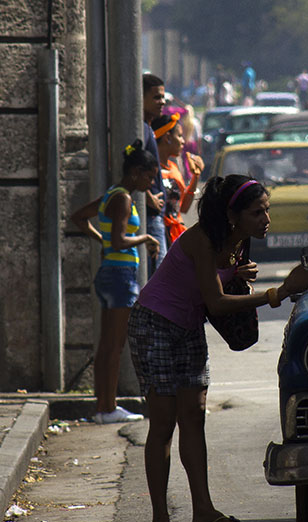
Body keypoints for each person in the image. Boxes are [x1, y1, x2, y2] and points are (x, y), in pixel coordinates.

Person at [126, 175, 308, 522]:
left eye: (267, 210)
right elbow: (215, 303)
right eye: (257, 212)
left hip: (188, 326)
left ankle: (203, 513)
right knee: (164, 424)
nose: (266, 219)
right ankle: (160, 521)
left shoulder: (238, 243)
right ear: (233, 215)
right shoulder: (202, 240)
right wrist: (276, 293)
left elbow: (216, 291)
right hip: (154, 325)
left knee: (194, 419)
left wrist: (237, 274)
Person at [70, 140, 161, 424]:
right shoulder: (124, 199)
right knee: (114, 346)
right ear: (135, 172)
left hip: (110, 273)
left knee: (107, 345)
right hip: (121, 277)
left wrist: (103, 242)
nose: (151, 181)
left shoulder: (112, 194)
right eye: (148, 176)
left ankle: (103, 407)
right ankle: (107, 408)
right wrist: (144, 238)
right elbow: (121, 240)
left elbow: (80, 218)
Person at [152, 112, 205, 244]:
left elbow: (183, 208)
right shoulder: (151, 171)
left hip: (176, 237)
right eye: (180, 136)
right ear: (167, 138)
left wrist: (195, 177)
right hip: (157, 237)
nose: (183, 141)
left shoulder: (174, 169)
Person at [142, 73, 168, 274]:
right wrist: (147, 196)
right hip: (150, 220)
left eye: (163, 97)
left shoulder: (148, 128)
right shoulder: (141, 129)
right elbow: (129, 166)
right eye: (156, 97)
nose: (163, 102)